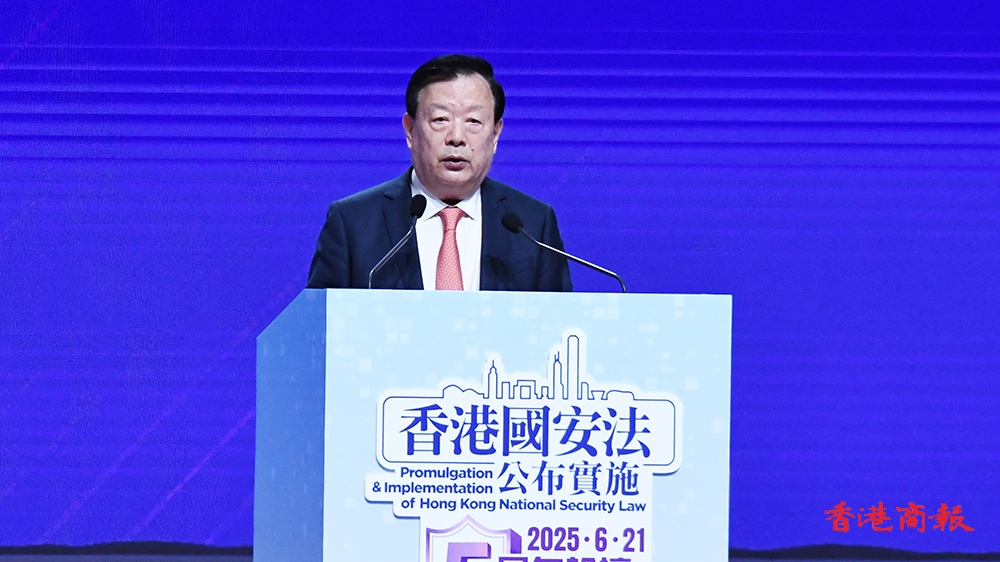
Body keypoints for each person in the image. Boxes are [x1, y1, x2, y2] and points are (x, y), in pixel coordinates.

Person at [306, 54, 572, 291]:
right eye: (440, 120)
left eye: (473, 121)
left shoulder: (533, 225)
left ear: (495, 134)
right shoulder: (352, 222)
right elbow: (318, 324)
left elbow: (558, 322)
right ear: (410, 130)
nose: (456, 137)